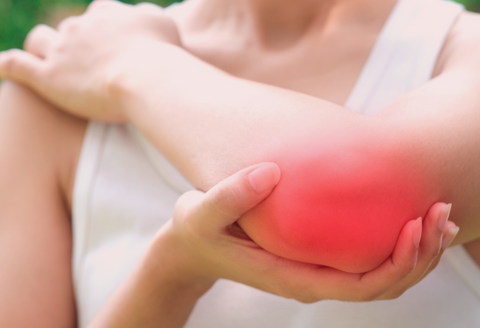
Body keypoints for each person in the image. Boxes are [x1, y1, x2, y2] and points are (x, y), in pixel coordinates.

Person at [0, 0, 479, 327]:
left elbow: (345, 203)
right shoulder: (48, 90)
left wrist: (136, 66)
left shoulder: (460, 52)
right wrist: (171, 274)